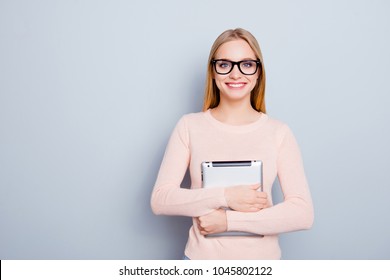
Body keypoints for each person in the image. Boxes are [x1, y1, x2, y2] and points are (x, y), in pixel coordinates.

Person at [151, 28, 314, 260]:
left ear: (258, 72)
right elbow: (160, 199)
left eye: (246, 64)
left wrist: (228, 221)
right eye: (225, 65)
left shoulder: (279, 132)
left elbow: (302, 213)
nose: (236, 74)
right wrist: (226, 197)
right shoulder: (189, 126)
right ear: (213, 72)